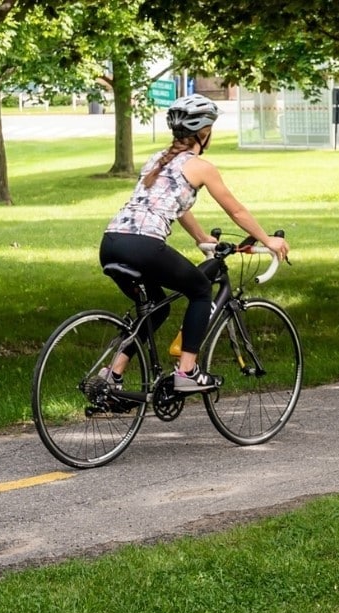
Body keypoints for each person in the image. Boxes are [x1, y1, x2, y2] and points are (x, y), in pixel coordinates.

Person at [95, 94, 289, 396]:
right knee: (200, 289)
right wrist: (267, 240)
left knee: (155, 310)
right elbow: (235, 210)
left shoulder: (156, 161)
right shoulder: (200, 166)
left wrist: (201, 238)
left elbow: (177, 206)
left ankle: (112, 375)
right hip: (144, 245)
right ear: (204, 132)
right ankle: (186, 371)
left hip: (111, 243)